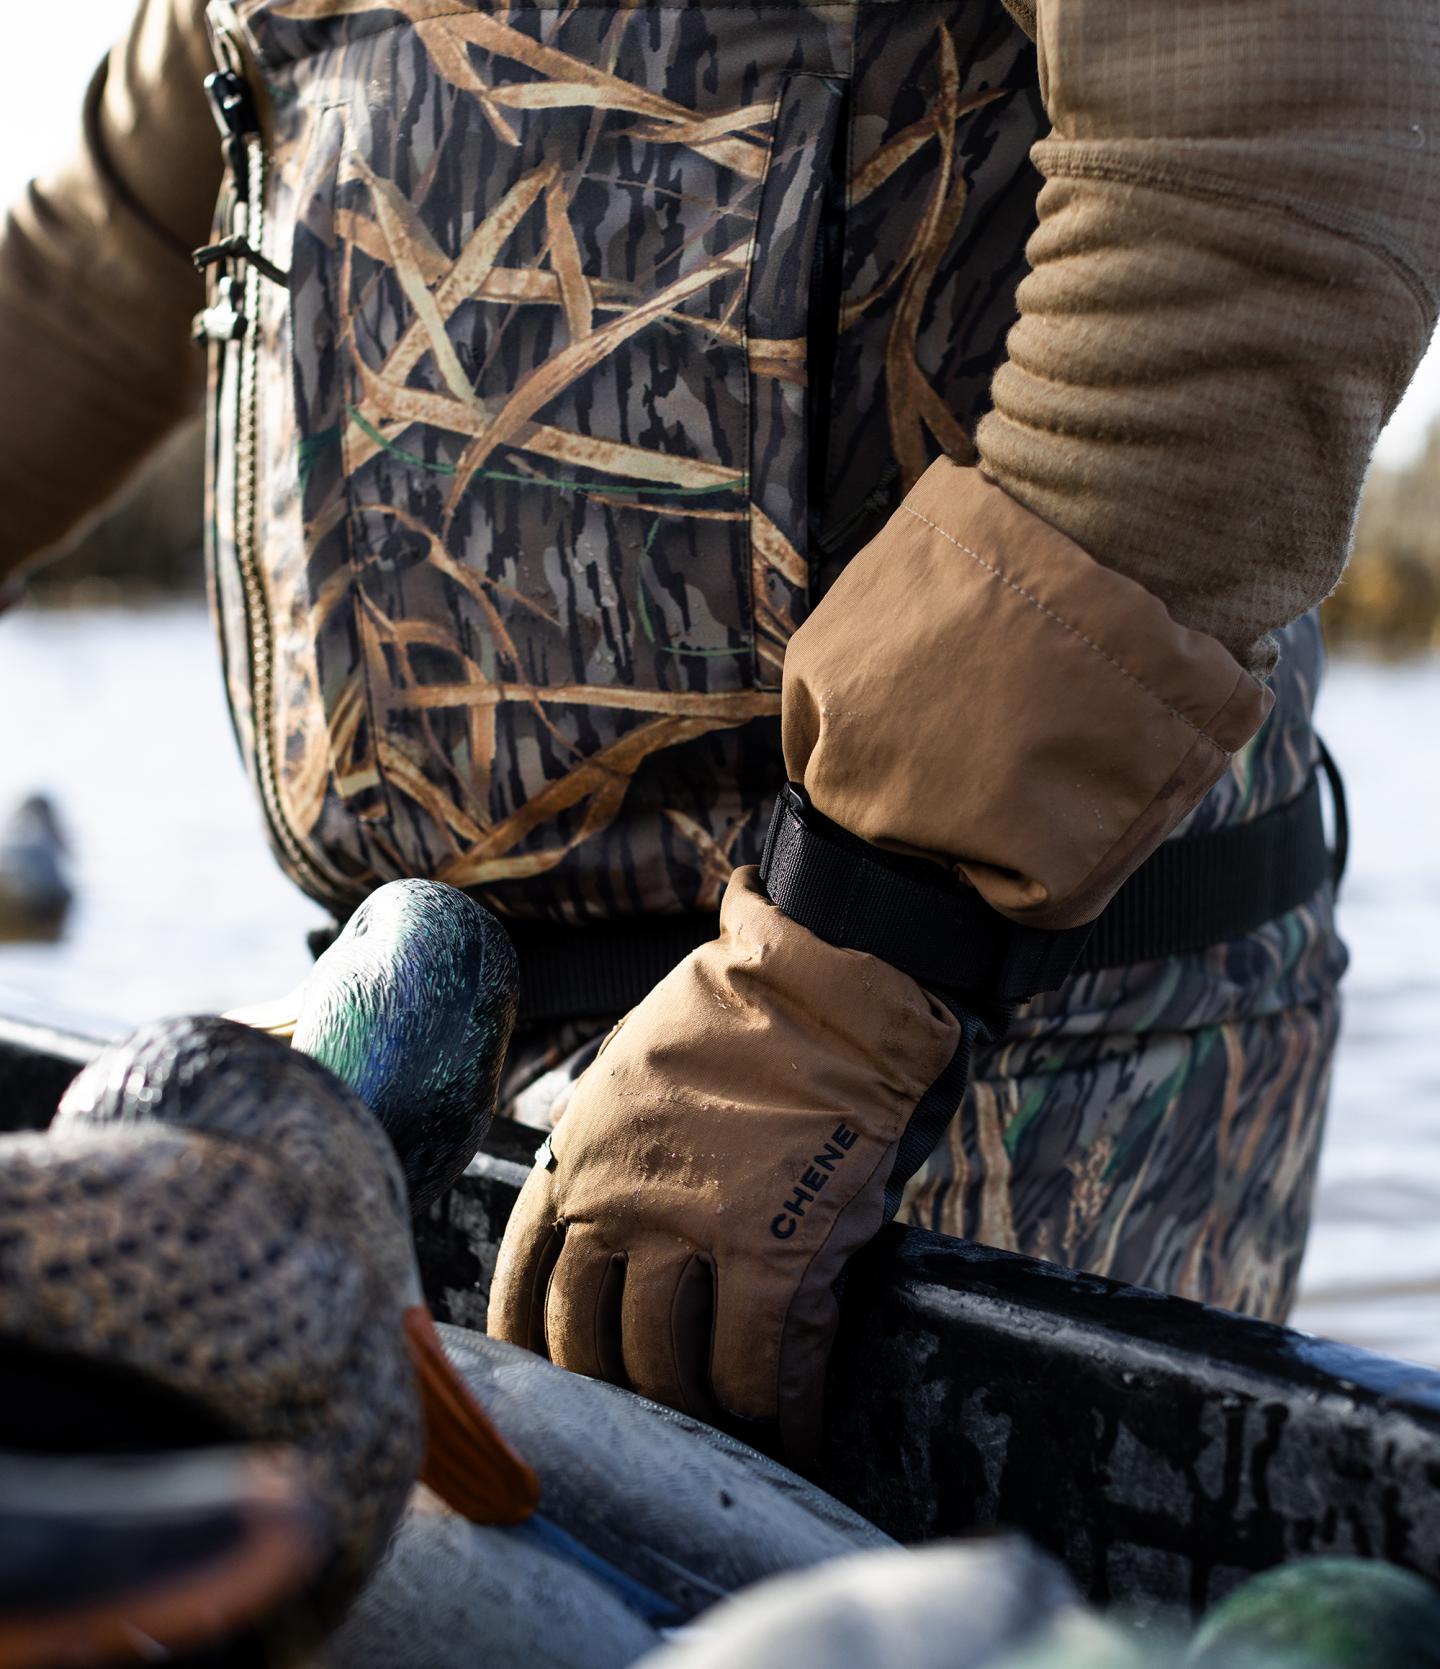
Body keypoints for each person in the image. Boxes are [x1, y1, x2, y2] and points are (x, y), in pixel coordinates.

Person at [0, 0, 1432, 1456]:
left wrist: (846, 968)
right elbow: (102, 254)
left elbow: (1261, 186)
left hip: (954, 1049)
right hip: (419, 1053)